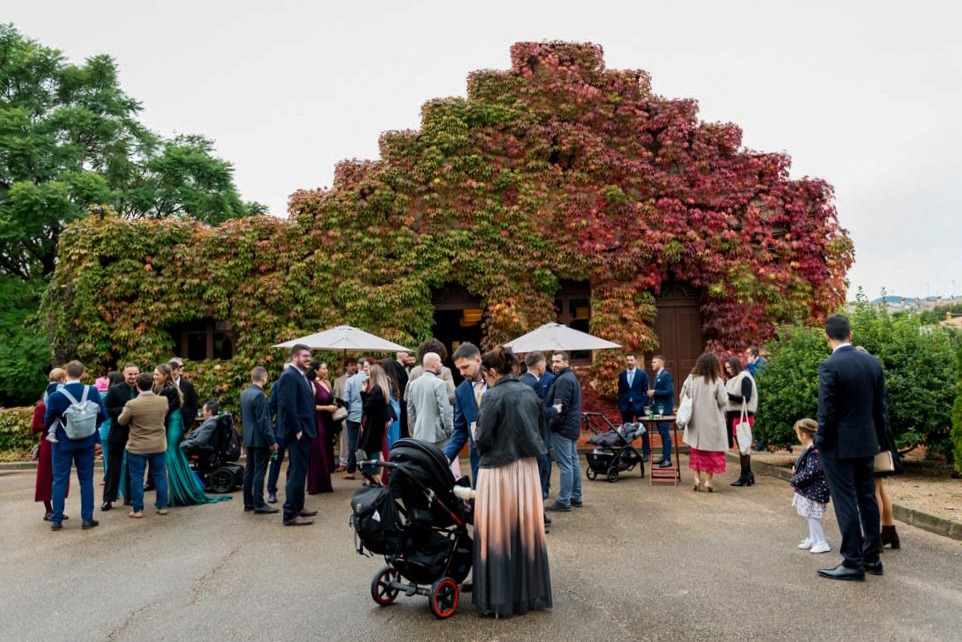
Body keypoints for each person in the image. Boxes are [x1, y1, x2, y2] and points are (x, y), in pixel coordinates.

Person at [472, 346, 551, 617]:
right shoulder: (529, 391)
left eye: (486, 376)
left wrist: (475, 431)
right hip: (527, 469)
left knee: (498, 533)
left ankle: (500, 597)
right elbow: (540, 431)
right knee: (524, 532)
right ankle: (527, 595)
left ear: (492, 372)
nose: (485, 380)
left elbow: (482, 439)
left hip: (498, 470)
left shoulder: (492, 395)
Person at [814, 314, 888, 581]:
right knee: (867, 498)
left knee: (845, 500)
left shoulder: (829, 366)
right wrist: (878, 440)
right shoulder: (872, 363)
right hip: (867, 442)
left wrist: (819, 441)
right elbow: (880, 409)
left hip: (838, 446)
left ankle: (852, 561)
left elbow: (827, 411)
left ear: (827, 337)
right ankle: (872, 557)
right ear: (851, 334)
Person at [44, 360, 108, 531]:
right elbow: (103, 415)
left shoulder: (56, 395)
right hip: (86, 441)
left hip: (62, 442)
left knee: (59, 480)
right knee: (86, 480)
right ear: (83, 373)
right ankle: (87, 519)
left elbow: (47, 420)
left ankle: (56, 519)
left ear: (65, 373)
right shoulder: (92, 391)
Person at [155, 363, 230, 507]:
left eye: (157, 374)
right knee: (173, 457)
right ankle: (178, 492)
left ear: (165, 376)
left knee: (170, 456)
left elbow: (166, 410)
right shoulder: (164, 388)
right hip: (172, 424)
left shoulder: (168, 389)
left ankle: (176, 494)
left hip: (173, 425)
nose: (154, 377)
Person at [117, 373, 170, 518]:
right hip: (158, 444)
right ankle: (163, 505)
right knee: (160, 475)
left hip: (138, 446)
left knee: (137, 478)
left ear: (137, 386)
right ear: (152, 384)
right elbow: (164, 415)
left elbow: (122, 421)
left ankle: (138, 509)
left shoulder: (132, 404)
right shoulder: (163, 401)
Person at [277, 344, 318, 526]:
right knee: (296, 473)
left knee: (300, 472)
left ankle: (298, 506)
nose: (308, 359)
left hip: (305, 431)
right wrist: (298, 430)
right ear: (295, 357)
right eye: (305, 356)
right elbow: (288, 405)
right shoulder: (289, 376)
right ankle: (290, 514)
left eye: (309, 356)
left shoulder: (299, 375)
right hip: (298, 433)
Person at [680, 353, 728, 492]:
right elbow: (723, 401)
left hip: (695, 423)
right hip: (712, 423)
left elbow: (682, 396)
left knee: (696, 452)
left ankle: (696, 479)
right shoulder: (717, 381)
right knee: (711, 453)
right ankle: (708, 481)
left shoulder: (691, 379)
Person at [544, 351, 584, 512]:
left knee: (565, 464)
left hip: (563, 428)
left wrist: (552, 424)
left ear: (566, 362)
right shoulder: (569, 377)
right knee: (573, 462)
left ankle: (564, 500)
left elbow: (561, 407)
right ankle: (576, 496)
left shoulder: (564, 380)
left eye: (558, 361)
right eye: (553, 361)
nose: (554, 364)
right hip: (571, 427)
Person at [443, 342, 485, 487]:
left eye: (465, 367)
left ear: (478, 360)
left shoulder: (499, 382)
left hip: (504, 455)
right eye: (459, 368)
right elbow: (460, 429)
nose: (461, 373)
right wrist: (447, 456)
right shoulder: (460, 391)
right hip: (478, 457)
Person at [102, 363, 140, 510]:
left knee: (133, 467)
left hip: (136, 434)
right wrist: (125, 410)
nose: (133, 377)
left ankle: (129, 498)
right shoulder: (115, 390)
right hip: (118, 433)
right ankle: (108, 499)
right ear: (124, 375)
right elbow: (106, 409)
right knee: (113, 467)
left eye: (135, 374)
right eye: (130, 374)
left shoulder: (141, 389)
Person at [240, 367, 278, 514]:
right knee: (259, 472)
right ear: (264, 378)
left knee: (250, 470)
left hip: (249, 438)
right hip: (260, 439)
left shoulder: (244, 394)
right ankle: (259, 504)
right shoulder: (259, 396)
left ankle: (248, 502)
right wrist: (271, 440)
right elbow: (263, 421)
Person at [790, 418, 831, 554]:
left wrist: (795, 479)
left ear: (803, 435)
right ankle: (814, 539)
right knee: (809, 515)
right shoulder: (812, 449)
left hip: (814, 490)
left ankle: (821, 542)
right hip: (809, 490)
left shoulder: (814, 451)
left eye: (797, 433)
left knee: (812, 516)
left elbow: (811, 472)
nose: (797, 436)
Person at [32, 369, 68, 521]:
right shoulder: (41, 407)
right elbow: (35, 427)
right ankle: (48, 510)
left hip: (61, 442)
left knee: (60, 478)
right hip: (47, 444)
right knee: (46, 478)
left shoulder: (63, 401)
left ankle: (58, 509)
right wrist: (50, 423)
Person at [519, 351, 554, 499]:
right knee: (543, 468)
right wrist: (554, 410)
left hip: (522, 433)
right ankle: (541, 496)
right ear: (540, 366)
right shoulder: (536, 385)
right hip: (537, 434)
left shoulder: (518, 380)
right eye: (545, 364)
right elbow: (540, 412)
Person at [357, 363, 395, 485]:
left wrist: (363, 392)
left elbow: (367, 407)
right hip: (376, 424)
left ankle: (376, 478)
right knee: (377, 451)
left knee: (371, 451)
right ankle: (376, 478)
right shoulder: (382, 389)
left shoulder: (377, 389)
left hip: (373, 425)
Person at [407, 352, 454, 450]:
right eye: (440, 362)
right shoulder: (439, 383)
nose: (441, 365)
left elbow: (410, 410)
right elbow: (445, 410)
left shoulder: (413, 384)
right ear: (434, 364)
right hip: (438, 434)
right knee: (441, 462)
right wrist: (449, 429)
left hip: (420, 433)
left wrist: (416, 427)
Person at [723, 356, 757, 487]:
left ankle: (745, 474)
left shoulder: (745, 378)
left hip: (744, 416)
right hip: (735, 416)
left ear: (735, 365)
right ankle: (748, 473)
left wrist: (729, 396)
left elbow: (746, 398)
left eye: (730, 367)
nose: (728, 370)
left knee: (744, 446)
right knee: (743, 446)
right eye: (726, 368)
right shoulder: (732, 380)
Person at [307, 360, 336, 494]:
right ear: (316, 371)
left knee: (326, 450)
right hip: (317, 421)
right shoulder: (312, 385)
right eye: (323, 369)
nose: (326, 371)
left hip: (327, 421)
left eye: (326, 368)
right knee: (319, 450)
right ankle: (316, 484)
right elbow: (309, 406)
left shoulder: (327, 383)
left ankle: (325, 482)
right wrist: (327, 408)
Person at [266, 361, 292, 503]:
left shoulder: (299, 384)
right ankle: (271, 491)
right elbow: (271, 406)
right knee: (276, 460)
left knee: (294, 462)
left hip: (295, 430)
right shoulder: (277, 385)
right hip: (281, 430)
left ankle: (291, 491)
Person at [617, 353, 650, 459]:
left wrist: (643, 404)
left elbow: (647, 391)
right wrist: (621, 404)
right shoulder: (622, 375)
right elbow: (620, 392)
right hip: (626, 407)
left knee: (643, 429)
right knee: (626, 431)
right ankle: (627, 453)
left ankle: (646, 453)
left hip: (639, 406)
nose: (629, 362)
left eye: (631, 360)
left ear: (635, 361)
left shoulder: (642, 374)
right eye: (628, 360)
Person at [405, 338, 456, 405]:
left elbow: (406, 396)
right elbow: (452, 395)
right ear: (441, 354)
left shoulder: (414, 371)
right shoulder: (445, 371)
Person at [342, 357, 369, 480]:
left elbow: (346, 400)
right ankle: (364, 469)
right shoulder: (370, 379)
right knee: (363, 443)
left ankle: (351, 470)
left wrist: (346, 412)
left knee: (353, 443)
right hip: (366, 415)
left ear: (358, 366)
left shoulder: (351, 380)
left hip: (353, 415)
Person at [180, 400, 220, 480]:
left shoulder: (210, 424)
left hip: (202, 449)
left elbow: (199, 441)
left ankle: (182, 476)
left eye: (204, 410)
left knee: (178, 449)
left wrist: (183, 444)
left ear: (210, 412)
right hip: (201, 445)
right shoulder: (210, 422)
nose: (202, 412)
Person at [648, 355, 674, 468]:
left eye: (654, 362)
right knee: (662, 434)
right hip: (657, 409)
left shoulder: (666, 375)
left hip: (664, 410)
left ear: (660, 363)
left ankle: (667, 459)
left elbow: (670, 391)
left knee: (665, 434)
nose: (652, 364)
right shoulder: (658, 375)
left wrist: (655, 392)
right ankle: (664, 456)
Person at [98, 371, 123, 484]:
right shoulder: (124, 394)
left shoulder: (104, 395)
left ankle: (108, 478)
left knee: (107, 457)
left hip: (105, 430)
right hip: (120, 430)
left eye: (107, 379)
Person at [333, 358, 357, 471]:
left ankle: (356, 462)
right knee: (344, 438)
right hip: (344, 414)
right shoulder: (338, 381)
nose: (353, 367)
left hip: (357, 413)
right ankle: (343, 461)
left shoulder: (360, 379)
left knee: (357, 440)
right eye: (351, 365)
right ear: (346, 366)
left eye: (355, 365)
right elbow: (335, 398)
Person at [169, 358, 199, 426]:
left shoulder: (187, 385)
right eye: (179, 366)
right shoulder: (164, 385)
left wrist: (189, 421)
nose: (182, 368)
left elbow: (193, 406)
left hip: (184, 424)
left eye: (182, 366)